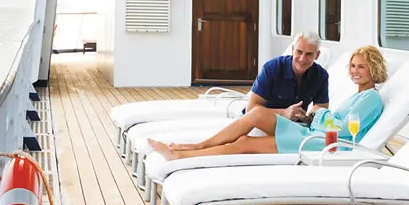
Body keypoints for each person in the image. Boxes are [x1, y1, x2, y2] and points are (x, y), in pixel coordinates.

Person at [150, 46, 390, 160]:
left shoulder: (371, 98)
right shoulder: (357, 95)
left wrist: (319, 115)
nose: (355, 71)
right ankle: (197, 146)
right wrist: (315, 116)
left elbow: (347, 130)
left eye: (362, 67)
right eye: (353, 66)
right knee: (255, 115)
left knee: (244, 143)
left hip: (325, 145)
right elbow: (333, 121)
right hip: (314, 132)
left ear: (374, 70)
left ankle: (183, 156)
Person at [244, 32, 331, 121]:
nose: (302, 59)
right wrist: (284, 113)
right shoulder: (272, 68)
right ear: (293, 50)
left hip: (294, 125)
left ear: (317, 55)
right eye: (299, 52)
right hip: (261, 121)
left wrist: (309, 118)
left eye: (309, 54)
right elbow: (250, 109)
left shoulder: (321, 75)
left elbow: (321, 108)